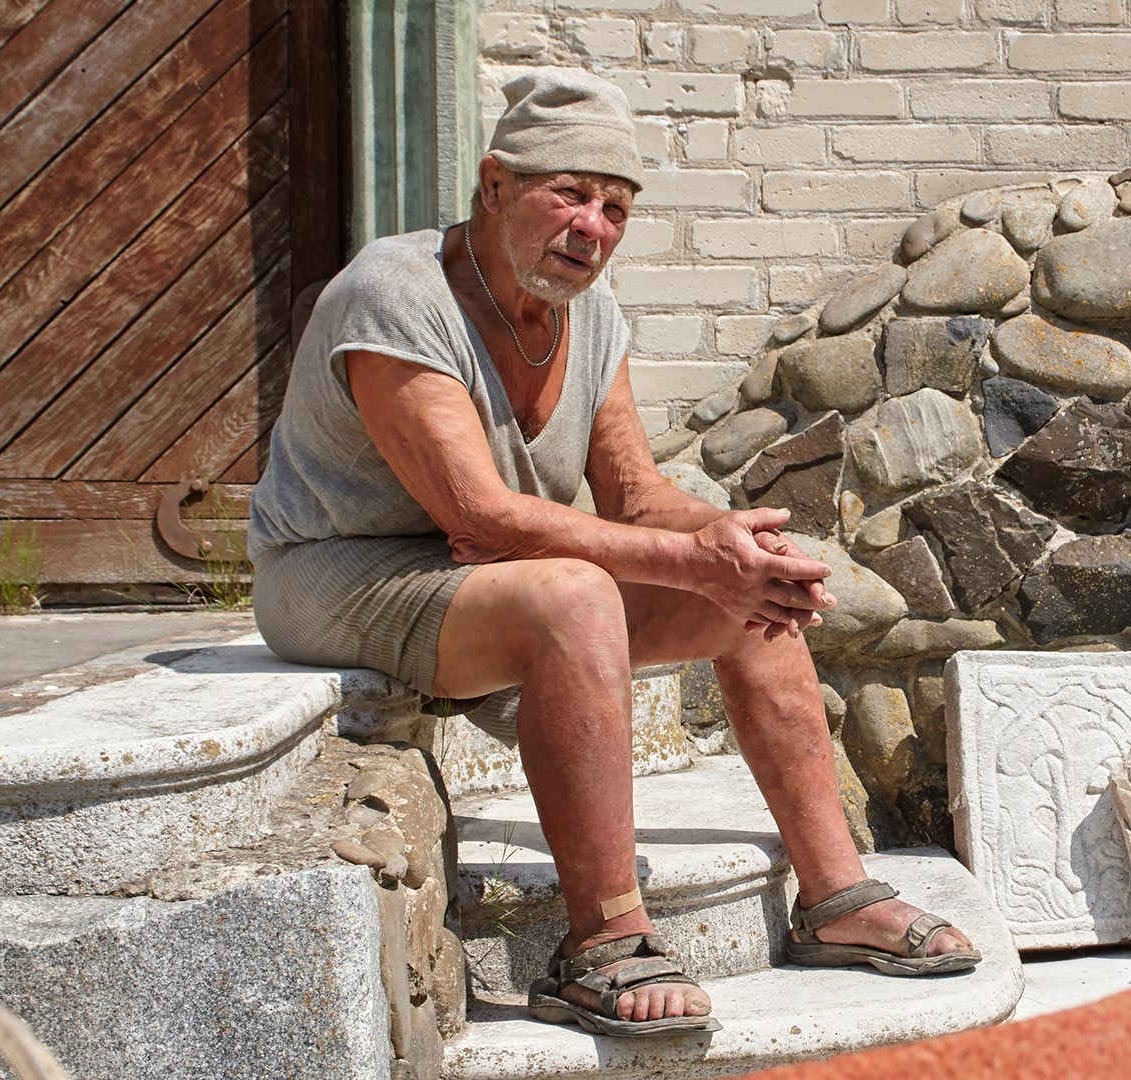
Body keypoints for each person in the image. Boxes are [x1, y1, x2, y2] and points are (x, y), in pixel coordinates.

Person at [247, 68, 978, 1039]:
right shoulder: (395, 291)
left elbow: (633, 494)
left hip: (490, 581)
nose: (592, 225)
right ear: (495, 184)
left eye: (615, 207)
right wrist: (684, 559)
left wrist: (731, 545)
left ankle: (837, 896)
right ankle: (601, 945)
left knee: (748, 601)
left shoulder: (593, 316)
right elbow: (477, 511)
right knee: (580, 596)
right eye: (570, 194)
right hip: (338, 573)